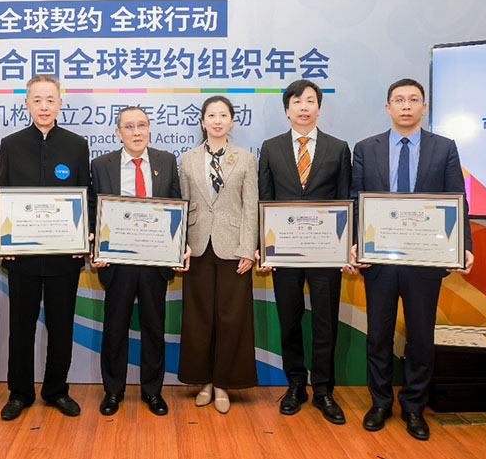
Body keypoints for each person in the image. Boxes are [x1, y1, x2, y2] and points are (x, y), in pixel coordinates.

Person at [347, 78, 474, 441]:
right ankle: (380, 403)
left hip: (425, 258)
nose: (406, 105)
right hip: (379, 259)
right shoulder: (366, 148)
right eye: (399, 100)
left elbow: (457, 199)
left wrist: (462, 246)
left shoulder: (444, 147)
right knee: (378, 335)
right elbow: (356, 200)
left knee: (421, 336)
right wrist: (354, 244)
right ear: (388, 107)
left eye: (413, 99)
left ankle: (414, 406)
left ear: (424, 107)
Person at [0, 74, 92, 421]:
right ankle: (19, 393)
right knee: (20, 328)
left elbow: (86, 196)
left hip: (63, 257)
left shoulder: (76, 145)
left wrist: (83, 238)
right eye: (37, 100)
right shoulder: (11, 143)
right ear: (26, 103)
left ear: (60, 103)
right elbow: (1, 193)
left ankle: (56, 391)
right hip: (21, 256)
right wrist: (2, 240)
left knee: (61, 327)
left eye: (50, 100)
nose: (44, 106)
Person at [256, 79, 351, 424]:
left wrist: (346, 249)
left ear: (318, 108)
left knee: (325, 322)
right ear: (287, 110)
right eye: (297, 102)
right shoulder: (271, 147)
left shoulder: (338, 148)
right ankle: (295, 385)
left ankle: (323, 390)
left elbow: (346, 200)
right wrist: (262, 247)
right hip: (284, 252)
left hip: (326, 253)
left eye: (310, 101)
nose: (304, 107)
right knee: (289, 319)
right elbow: (264, 199)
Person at [90, 106, 189, 417]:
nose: (136, 132)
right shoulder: (101, 165)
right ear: (118, 132)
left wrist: (179, 247)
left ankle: (153, 391)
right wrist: (95, 248)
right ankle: (113, 391)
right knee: (115, 328)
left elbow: (176, 206)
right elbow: (94, 210)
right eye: (129, 126)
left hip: (154, 261)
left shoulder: (166, 161)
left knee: (154, 328)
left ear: (149, 129)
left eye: (142, 125)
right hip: (116, 262)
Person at [177, 95, 259, 414]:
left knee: (231, 316)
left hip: (233, 247)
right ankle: (204, 382)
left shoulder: (246, 159)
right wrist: (180, 245)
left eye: (223, 115)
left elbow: (250, 205)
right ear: (202, 121)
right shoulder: (187, 159)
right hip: (197, 246)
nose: (217, 121)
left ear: (232, 121)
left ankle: (224, 382)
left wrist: (248, 248)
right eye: (211, 115)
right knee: (198, 317)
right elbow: (182, 205)